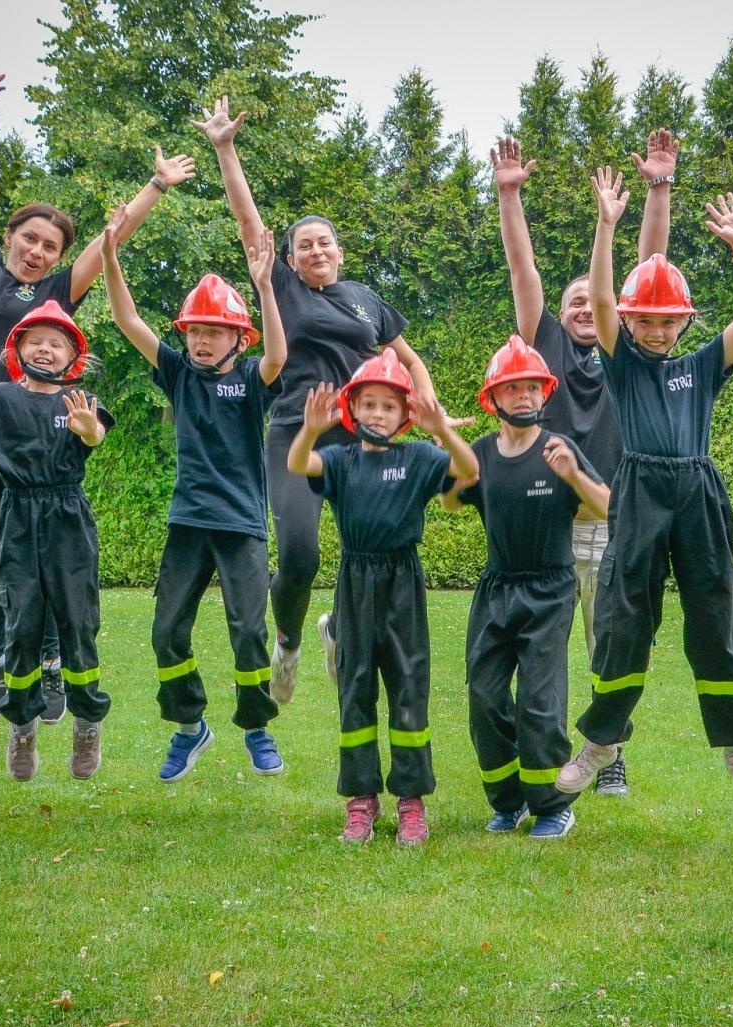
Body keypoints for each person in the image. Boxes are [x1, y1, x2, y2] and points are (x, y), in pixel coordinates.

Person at [0, 72, 194, 726]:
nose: (37, 250)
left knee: (46, 555)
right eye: (29, 237)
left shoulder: (58, 291)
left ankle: (54, 666)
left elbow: (113, 237)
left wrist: (157, 185)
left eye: (50, 246)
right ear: (10, 236)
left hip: (33, 436)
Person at [195, 97, 441, 706]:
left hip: (363, 438)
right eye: (304, 245)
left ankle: (339, 630)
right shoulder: (281, 286)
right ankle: (289, 641)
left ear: (340, 250)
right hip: (296, 432)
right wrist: (225, 149)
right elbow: (249, 223)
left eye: (324, 242)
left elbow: (409, 360)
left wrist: (427, 405)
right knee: (300, 555)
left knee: (369, 549)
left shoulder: (364, 298)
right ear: (289, 258)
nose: (316, 251)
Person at [554, 169, 733, 809]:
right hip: (640, 491)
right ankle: (600, 744)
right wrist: (605, 226)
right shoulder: (622, 365)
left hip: (698, 493)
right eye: (645, 320)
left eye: (668, 321)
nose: (656, 330)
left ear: (683, 323)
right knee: (624, 620)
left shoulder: (701, 367)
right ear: (630, 321)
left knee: (715, 619)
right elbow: (600, 300)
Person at [492, 129, 677, 797]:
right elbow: (523, 270)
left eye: (588, 300)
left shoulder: (628, 353)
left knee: (610, 647)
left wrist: (658, 188)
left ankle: (609, 751)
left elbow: (650, 263)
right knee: (537, 653)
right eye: (571, 301)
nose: (580, 308)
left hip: (608, 525)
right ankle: (536, 751)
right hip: (543, 528)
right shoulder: (540, 342)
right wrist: (509, 196)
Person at [101, 209, 289, 781]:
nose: (201, 340)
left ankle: (256, 729)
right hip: (188, 523)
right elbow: (127, 318)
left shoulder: (251, 377)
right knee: (166, 632)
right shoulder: (178, 373)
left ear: (238, 338)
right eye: (194, 331)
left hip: (242, 526)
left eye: (213, 331)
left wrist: (265, 286)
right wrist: (110, 256)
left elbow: (278, 358)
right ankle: (189, 727)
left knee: (249, 633)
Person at [286, 351, 477, 845]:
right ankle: (361, 800)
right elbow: (297, 462)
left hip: (403, 583)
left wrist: (441, 428)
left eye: (389, 406)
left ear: (404, 415)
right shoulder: (340, 459)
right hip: (355, 581)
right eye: (368, 403)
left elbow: (469, 468)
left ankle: (411, 801)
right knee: (355, 690)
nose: (377, 413)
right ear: (352, 408)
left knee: (409, 687)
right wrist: (310, 429)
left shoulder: (419, 458)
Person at [443, 337, 611, 839]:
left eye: (532, 388)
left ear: (545, 393)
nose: (524, 396)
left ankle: (553, 806)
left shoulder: (560, 449)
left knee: (540, 701)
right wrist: (450, 461)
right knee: (485, 696)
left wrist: (573, 475)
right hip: (496, 589)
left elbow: (607, 506)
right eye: (512, 388)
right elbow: (451, 503)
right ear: (492, 398)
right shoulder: (479, 453)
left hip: (550, 590)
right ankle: (508, 802)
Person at [0, 302, 115, 783]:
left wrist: (90, 432)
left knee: (78, 623)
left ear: (72, 357)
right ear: (15, 350)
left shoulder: (79, 401)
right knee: (21, 626)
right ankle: (22, 727)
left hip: (68, 517)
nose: (44, 348)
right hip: (17, 517)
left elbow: (96, 432)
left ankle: (87, 723)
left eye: (56, 343)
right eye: (34, 340)